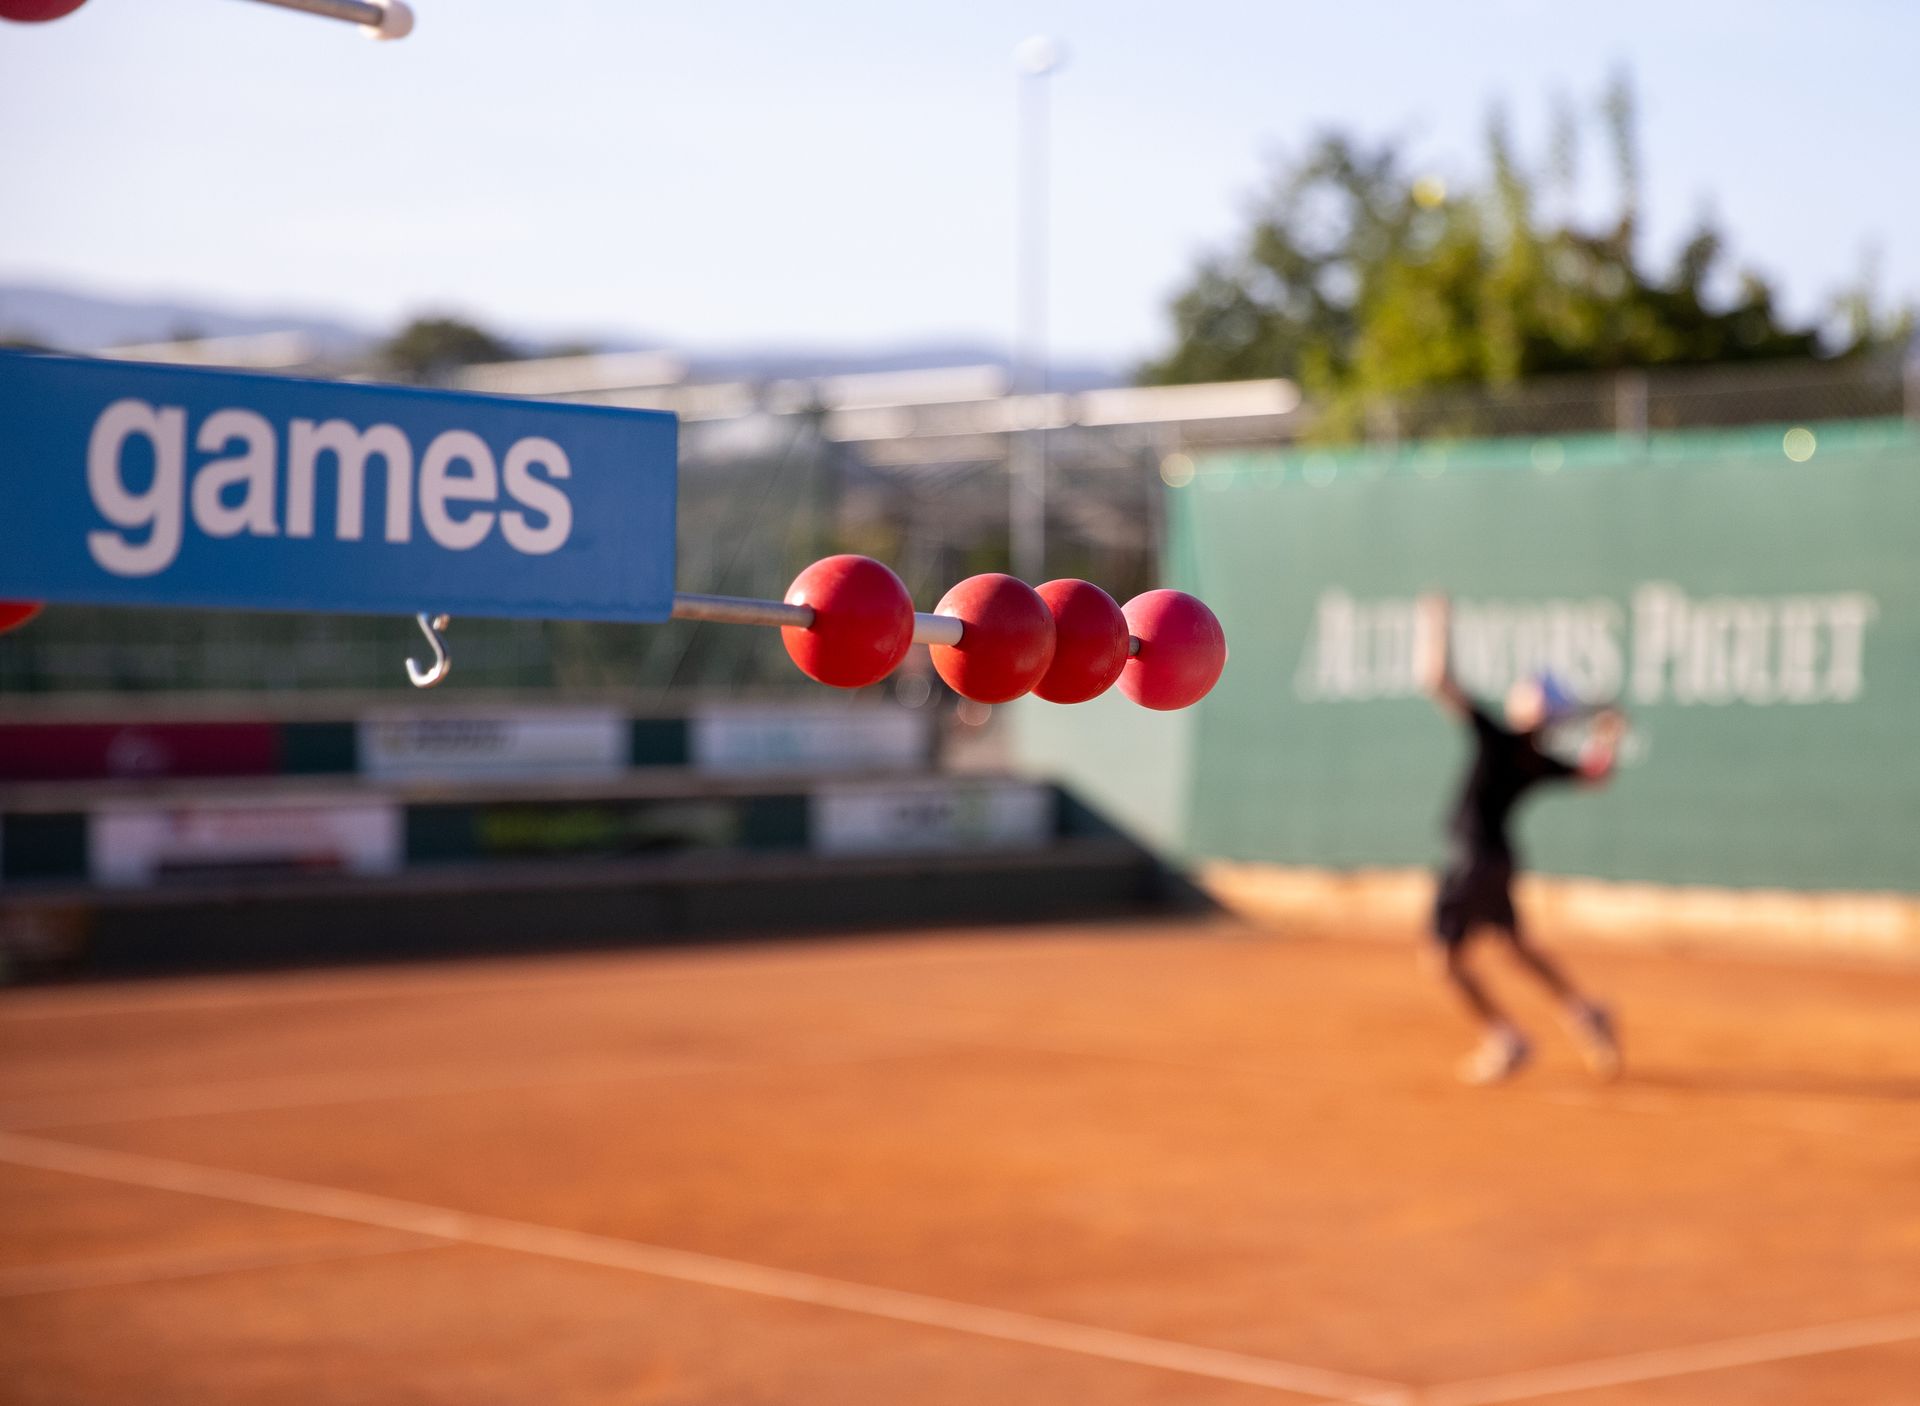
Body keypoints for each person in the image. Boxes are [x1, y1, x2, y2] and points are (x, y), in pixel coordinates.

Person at [1414, 594, 1626, 1085]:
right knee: (1515, 948)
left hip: (1471, 860)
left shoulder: (1501, 738)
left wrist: (1436, 622)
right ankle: (1585, 1010)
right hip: (1499, 860)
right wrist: (1608, 733)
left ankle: (1506, 1037)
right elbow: (1598, 774)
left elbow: (1436, 679)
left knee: (1443, 961)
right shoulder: (1538, 756)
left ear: (1532, 706)